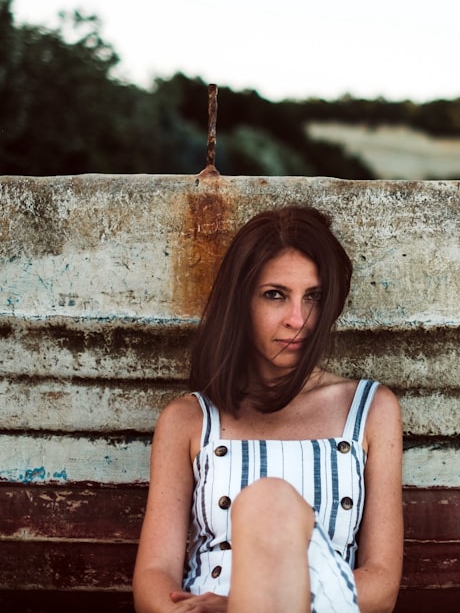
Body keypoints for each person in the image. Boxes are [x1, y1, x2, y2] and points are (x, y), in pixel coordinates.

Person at [133, 206, 404, 613]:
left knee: (271, 502)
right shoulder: (189, 420)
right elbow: (155, 574)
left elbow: (381, 583)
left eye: (313, 297)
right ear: (241, 302)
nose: (298, 319)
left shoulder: (370, 410)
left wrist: (243, 605)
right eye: (275, 295)